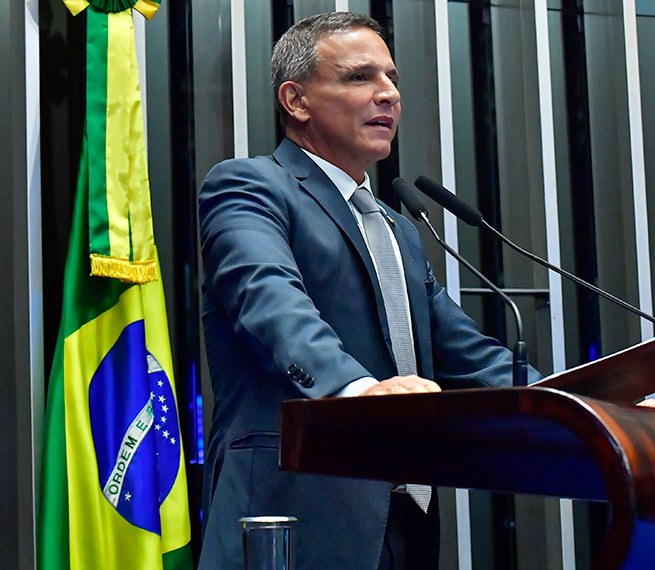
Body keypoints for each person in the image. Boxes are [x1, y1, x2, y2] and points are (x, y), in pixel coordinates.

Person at [197, 11, 541, 570]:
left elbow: (472, 358)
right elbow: (271, 302)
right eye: (360, 77)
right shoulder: (250, 186)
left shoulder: (399, 229)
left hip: (406, 524)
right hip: (296, 518)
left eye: (392, 79)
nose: (389, 94)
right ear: (296, 100)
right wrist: (358, 391)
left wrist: (590, 406)